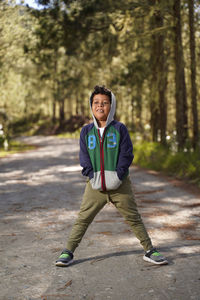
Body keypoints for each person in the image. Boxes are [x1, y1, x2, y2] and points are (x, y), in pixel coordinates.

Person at [56, 85, 168, 267]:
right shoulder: (86, 131)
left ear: (112, 106)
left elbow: (126, 154)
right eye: (96, 103)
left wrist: (118, 175)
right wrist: (91, 175)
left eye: (105, 103)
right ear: (91, 106)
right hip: (95, 185)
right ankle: (67, 251)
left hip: (119, 185)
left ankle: (149, 250)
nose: (100, 106)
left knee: (133, 217)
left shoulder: (120, 129)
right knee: (83, 219)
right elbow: (84, 157)